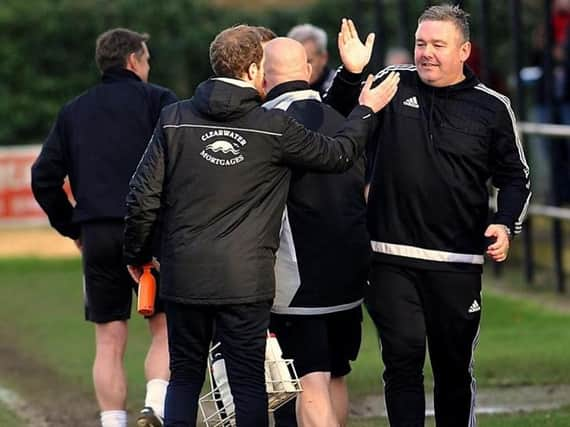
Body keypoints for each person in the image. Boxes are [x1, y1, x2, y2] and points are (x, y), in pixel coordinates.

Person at [123, 25, 398, 427]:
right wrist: (366, 108)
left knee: (184, 378)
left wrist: (139, 254)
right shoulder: (270, 126)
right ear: (254, 70)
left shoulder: (174, 118)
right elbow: (337, 151)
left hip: (184, 273)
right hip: (247, 278)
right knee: (249, 382)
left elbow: (141, 197)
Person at [326, 7, 531, 427]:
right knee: (402, 363)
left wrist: (504, 224)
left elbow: (516, 178)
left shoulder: (492, 108)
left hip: (457, 263)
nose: (427, 53)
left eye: (438, 45)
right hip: (389, 256)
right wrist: (349, 75)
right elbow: (338, 118)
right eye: (422, 43)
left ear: (464, 50)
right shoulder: (391, 83)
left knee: (453, 370)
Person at [31, 28, 177, 427]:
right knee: (164, 328)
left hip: (97, 234)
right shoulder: (160, 101)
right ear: (133, 60)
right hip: (151, 233)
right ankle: (156, 406)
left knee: (109, 341)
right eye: (146, 59)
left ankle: (114, 423)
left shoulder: (74, 110)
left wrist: (72, 227)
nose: (148, 67)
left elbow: (43, 178)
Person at [262, 38, 369, 427]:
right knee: (336, 374)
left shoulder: (266, 126)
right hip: (351, 274)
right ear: (307, 70)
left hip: (298, 281)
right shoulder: (341, 119)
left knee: (311, 382)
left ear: (261, 76)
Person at [288, 24, 337, 96]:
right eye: (296, 62)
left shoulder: (340, 90)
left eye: (308, 61)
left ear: (323, 58)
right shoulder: (283, 91)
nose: (302, 68)